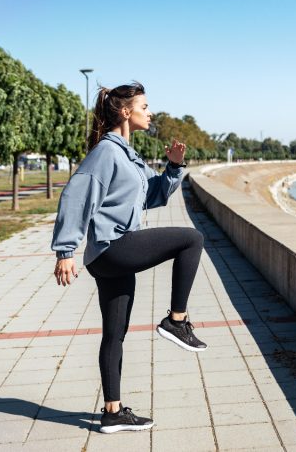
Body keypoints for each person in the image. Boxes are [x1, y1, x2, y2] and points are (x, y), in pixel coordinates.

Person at [51, 82, 207, 434]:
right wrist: (65, 251)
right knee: (192, 239)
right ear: (126, 112)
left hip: (109, 256)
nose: (150, 113)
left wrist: (172, 168)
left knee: (114, 332)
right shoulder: (107, 152)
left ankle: (112, 412)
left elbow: (151, 196)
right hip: (114, 247)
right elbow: (76, 196)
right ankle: (176, 320)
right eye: (145, 106)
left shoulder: (127, 155)